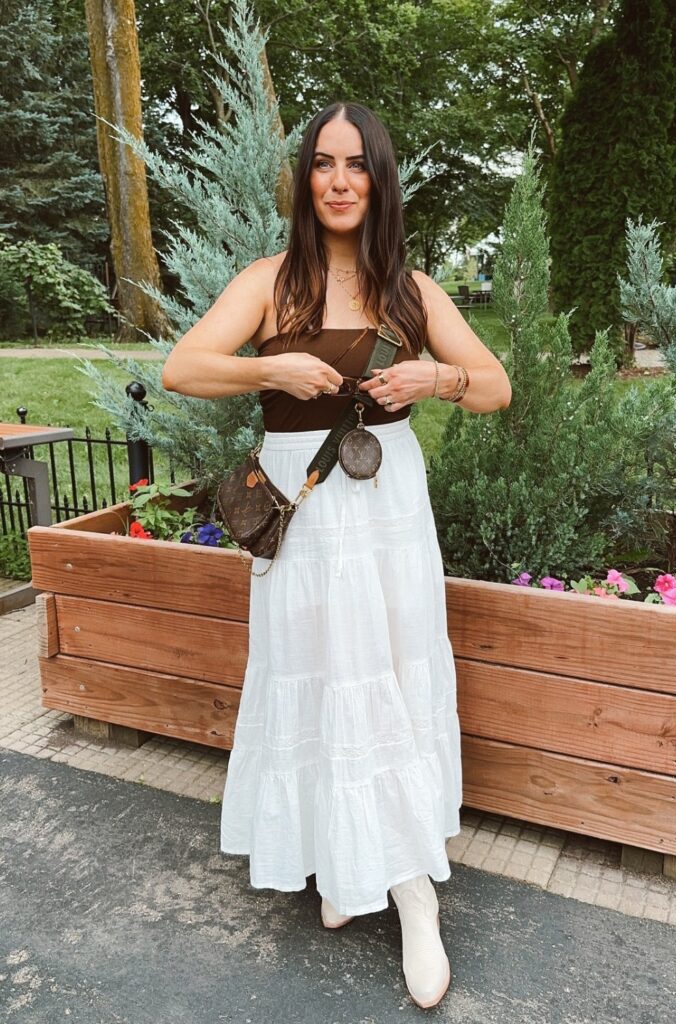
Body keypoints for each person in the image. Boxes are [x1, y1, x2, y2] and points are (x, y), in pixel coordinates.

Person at [161, 100, 511, 1010]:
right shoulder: (270, 281)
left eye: (357, 165)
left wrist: (441, 377)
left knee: (386, 673)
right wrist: (267, 369)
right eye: (323, 164)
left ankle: (412, 896)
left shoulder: (414, 290)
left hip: (388, 504)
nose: (340, 181)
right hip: (305, 507)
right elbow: (184, 367)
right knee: (317, 671)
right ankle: (342, 865)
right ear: (305, 178)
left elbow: (497, 389)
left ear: (380, 179)